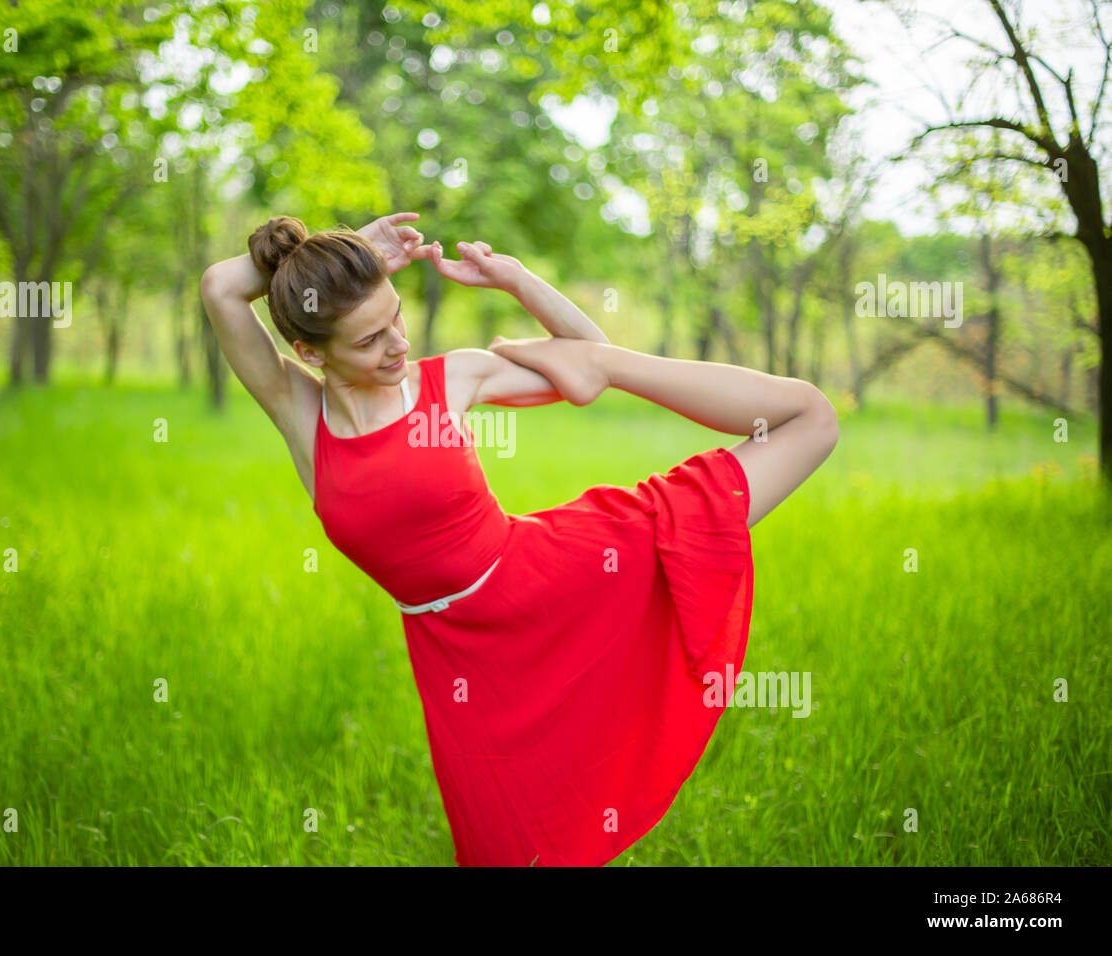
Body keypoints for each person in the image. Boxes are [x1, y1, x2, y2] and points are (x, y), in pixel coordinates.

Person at [200, 211, 838, 866]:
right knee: (506, 846)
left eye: (396, 318)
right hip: (463, 661)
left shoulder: (448, 380)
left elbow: (592, 360)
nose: (396, 344)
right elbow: (222, 287)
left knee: (808, 417)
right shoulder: (301, 413)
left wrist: (519, 281)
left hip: (562, 579)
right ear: (311, 352)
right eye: (368, 340)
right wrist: (346, 251)